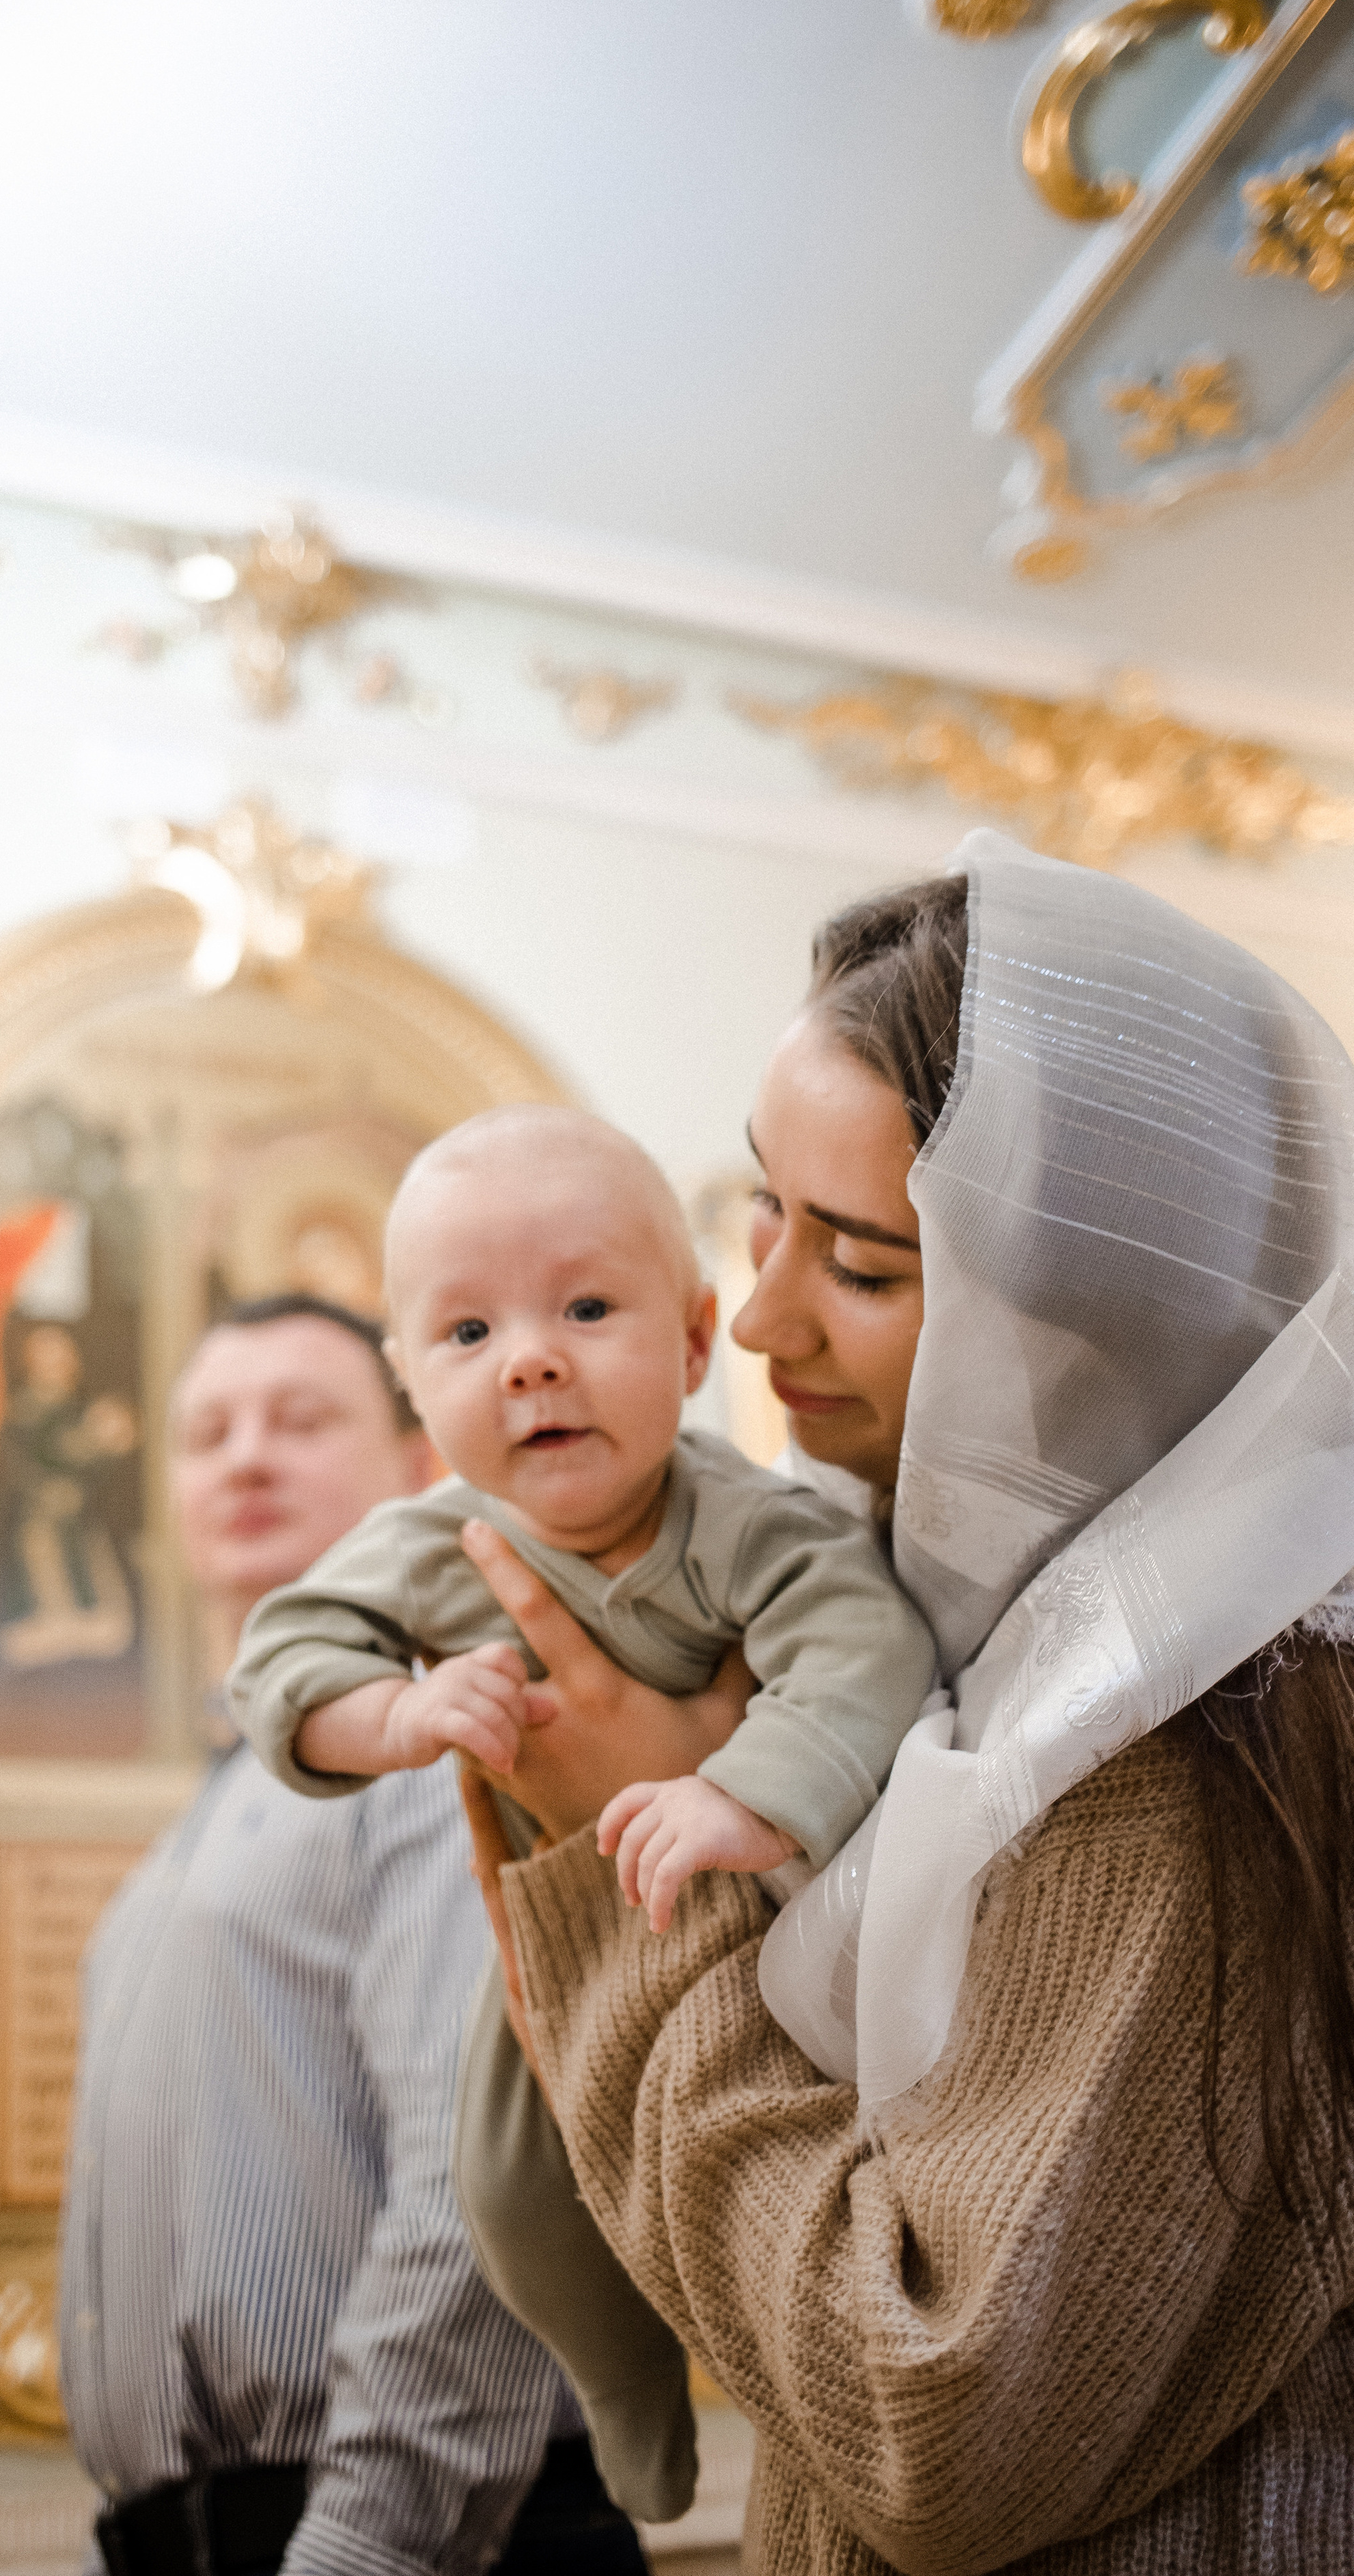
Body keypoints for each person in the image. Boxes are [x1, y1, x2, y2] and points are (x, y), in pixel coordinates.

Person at [461, 833, 1354, 2572]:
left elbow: (930, 2416)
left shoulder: (1171, 1765)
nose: (758, 1316)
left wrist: (653, 1903)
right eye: (763, 1212)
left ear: (1087, 1333)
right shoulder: (952, 1662)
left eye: (864, 1267)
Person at [224, 1112, 935, 2517]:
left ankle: (782, 2388)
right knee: (501, 2187)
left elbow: (864, 1652)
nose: (531, 1359)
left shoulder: (745, 1524)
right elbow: (281, 1667)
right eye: (467, 1332)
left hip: (782, 1915)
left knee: (787, 2172)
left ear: (688, 1343)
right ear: (413, 1390)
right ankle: (625, 2399)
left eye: (586, 1308)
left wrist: (738, 1795)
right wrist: (403, 1718)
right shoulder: (432, 1543)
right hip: (565, 1932)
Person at [58, 1293, 651, 2576]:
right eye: (207, 1430)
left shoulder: (459, 1740)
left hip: (421, 2537)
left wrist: (357, 2553)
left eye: (301, 1417)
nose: (246, 1455)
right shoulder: (211, 1816)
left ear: (418, 1464)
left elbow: (477, 2202)